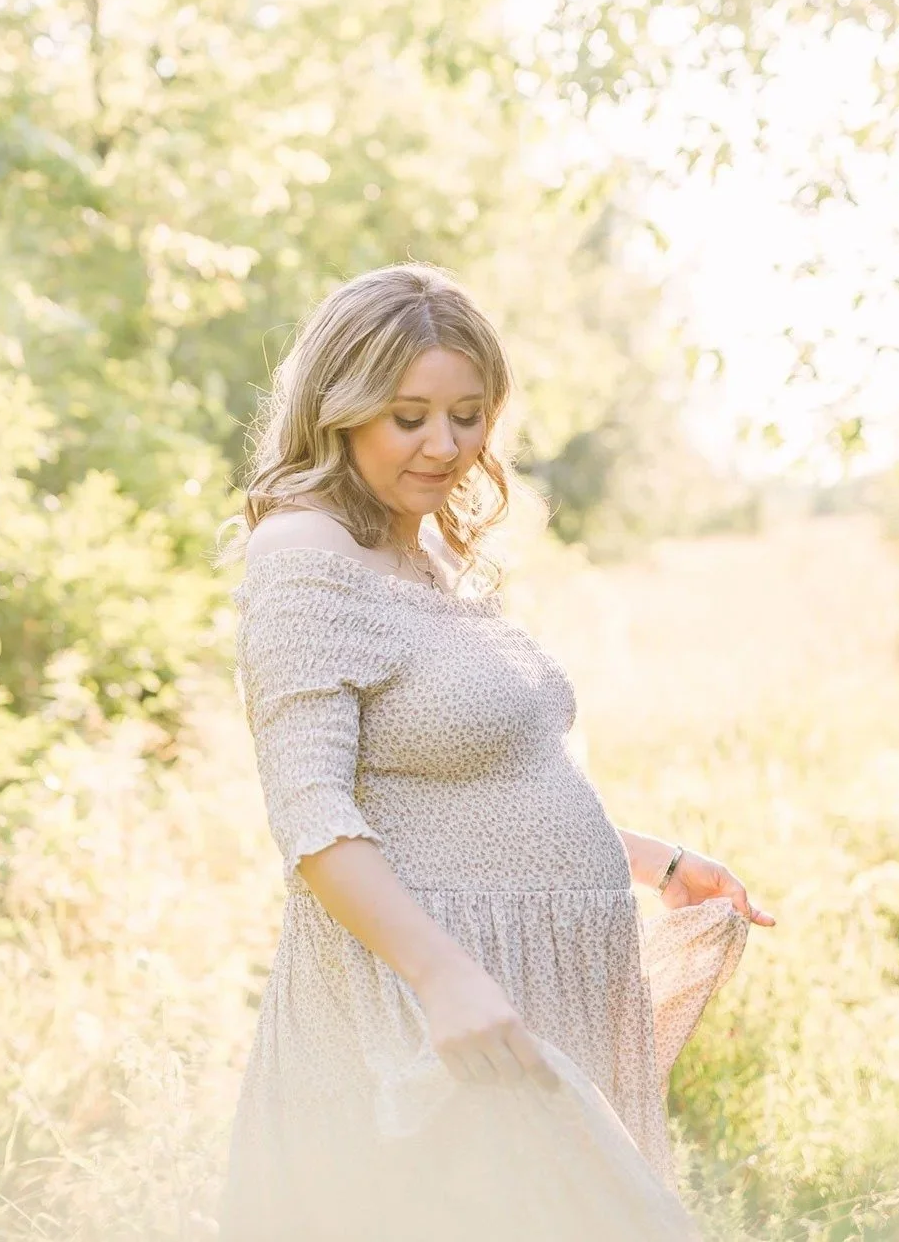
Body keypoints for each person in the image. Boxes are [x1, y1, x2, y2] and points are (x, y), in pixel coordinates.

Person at [210, 262, 776, 1241]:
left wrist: (653, 862)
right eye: (409, 416)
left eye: (467, 415)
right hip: (418, 1000)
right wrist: (442, 976)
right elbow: (311, 817)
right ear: (340, 409)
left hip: (526, 979)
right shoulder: (304, 555)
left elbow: (480, 787)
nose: (445, 445)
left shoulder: (434, 553)